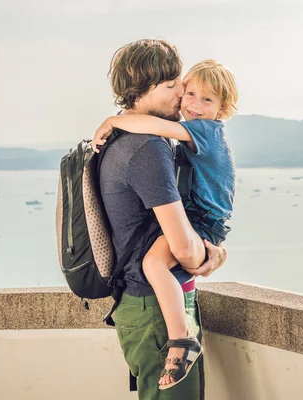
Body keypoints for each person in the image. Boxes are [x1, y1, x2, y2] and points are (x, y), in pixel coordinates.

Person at [93, 59, 238, 390]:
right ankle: (181, 339)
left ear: (222, 107)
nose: (188, 102)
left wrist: (114, 119)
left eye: (207, 99)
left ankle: (181, 339)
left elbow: (164, 129)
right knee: (155, 263)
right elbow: (186, 252)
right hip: (153, 306)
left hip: (202, 222)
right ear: (145, 89)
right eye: (180, 90)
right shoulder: (146, 146)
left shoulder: (200, 132)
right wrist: (212, 254)